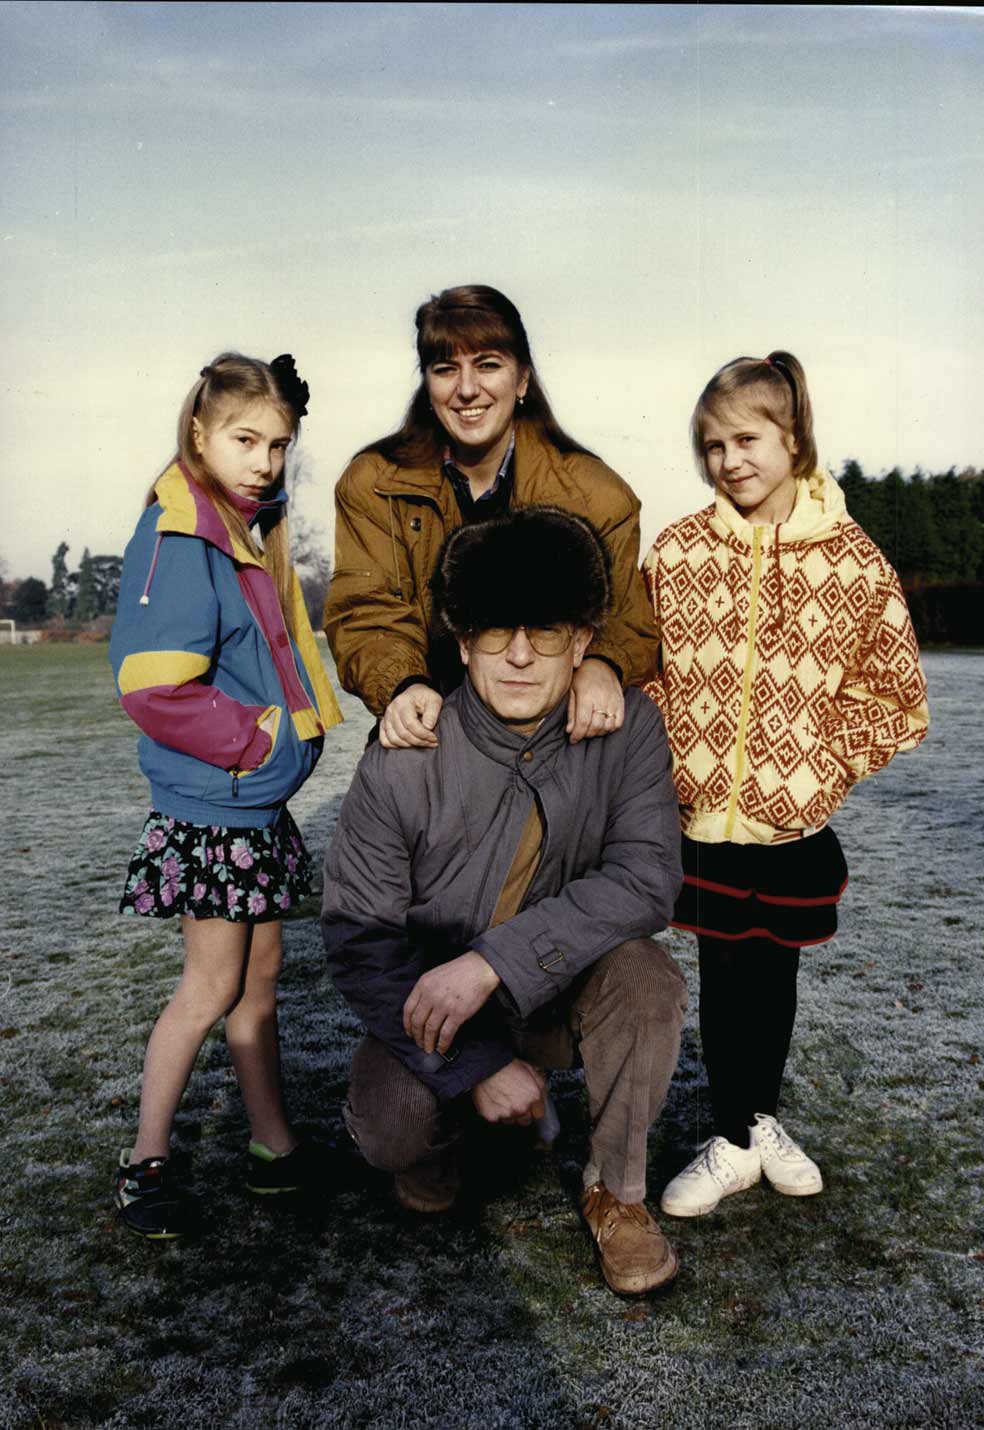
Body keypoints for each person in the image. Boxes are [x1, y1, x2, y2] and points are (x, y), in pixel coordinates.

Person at [322, 507, 687, 1296]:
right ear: (461, 642)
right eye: (494, 631)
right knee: (393, 1131)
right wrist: (477, 1064)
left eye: (546, 631)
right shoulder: (404, 754)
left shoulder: (629, 731)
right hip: (438, 1009)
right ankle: (452, 1139)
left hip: (559, 991)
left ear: (584, 640)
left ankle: (616, 1194)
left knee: (648, 977)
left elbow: (648, 877)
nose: (520, 655)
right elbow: (361, 940)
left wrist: (494, 962)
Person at [642, 350, 929, 1219]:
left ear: (793, 436)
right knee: (727, 968)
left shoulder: (853, 562)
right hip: (699, 814)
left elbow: (898, 697)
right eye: (711, 444)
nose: (728, 460)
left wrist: (820, 756)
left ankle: (753, 1123)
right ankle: (735, 1137)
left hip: (789, 821)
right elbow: (642, 669)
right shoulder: (680, 550)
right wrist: (670, 738)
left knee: (772, 971)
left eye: (745, 438)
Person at [108, 352, 343, 1238]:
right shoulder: (181, 535)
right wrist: (258, 742)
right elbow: (154, 687)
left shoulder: (246, 528)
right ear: (199, 432)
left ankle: (273, 1147)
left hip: (252, 809)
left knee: (261, 982)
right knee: (208, 990)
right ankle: (146, 1162)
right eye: (246, 440)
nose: (265, 462)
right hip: (213, 809)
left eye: (280, 445)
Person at [322, 284, 655, 749]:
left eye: (487, 365)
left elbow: (626, 617)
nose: (466, 389)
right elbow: (366, 609)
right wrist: (403, 683)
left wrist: (602, 663)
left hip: (550, 738)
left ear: (522, 380)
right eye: (445, 370)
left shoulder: (598, 495)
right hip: (433, 728)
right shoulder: (375, 483)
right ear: (427, 383)